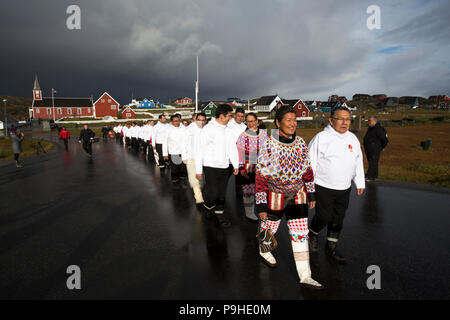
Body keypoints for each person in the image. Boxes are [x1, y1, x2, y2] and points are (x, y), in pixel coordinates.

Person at [255, 106, 323, 289]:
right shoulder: (269, 145)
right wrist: (261, 206)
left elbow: (307, 170)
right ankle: (264, 250)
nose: (293, 124)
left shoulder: (300, 142)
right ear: (278, 123)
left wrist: (311, 192)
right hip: (275, 195)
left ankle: (305, 275)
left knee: (300, 235)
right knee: (271, 228)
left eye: (295, 120)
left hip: (298, 195)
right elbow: (261, 178)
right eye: (288, 120)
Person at [308, 106, 365, 264]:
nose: (345, 122)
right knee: (324, 217)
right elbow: (309, 164)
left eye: (348, 119)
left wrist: (359, 181)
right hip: (323, 186)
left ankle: (331, 247)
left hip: (344, 187)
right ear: (331, 120)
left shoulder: (352, 139)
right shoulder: (322, 138)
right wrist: (309, 188)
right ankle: (312, 233)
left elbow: (358, 161)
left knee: (338, 219)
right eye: (341, 119)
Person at [195, 104, 239, 228]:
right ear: (221, 116)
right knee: (213, 193)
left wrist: (235, 164)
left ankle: (219, 215)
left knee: (221, 194)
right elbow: (199, 150)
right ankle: (208, 208)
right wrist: (198, 170)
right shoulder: (208, 130)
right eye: (229, 116)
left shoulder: (229, 130)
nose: (230, 118)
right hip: (210, 166)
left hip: (224, 166)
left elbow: (232, 148)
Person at [236, 113, 268, 221]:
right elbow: (239, 153)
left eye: (252, 121)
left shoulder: (264, 134)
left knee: (261, 190)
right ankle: (249, 213)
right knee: (249, 191)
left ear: (257, 121)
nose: (250, 123)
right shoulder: (243, 136)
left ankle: (262, 211)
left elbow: (269, 150)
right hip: (248, 166)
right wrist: (241, 168)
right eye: (248, 121)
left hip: (261, 166)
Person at [186, 112, 207, 205]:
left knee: (202, 179)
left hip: (204, 158)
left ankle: (201, 192)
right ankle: (199, 199)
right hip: (191, 157)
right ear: (195, 120)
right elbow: (184, 143)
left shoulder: (207, 129)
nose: (201, 122)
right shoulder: (189, 129)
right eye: (199, 120)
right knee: (194, 178)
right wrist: (185, 156)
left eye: (203, 120)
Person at [163, 115, 188, 184]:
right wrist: (165, 153)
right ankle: (175, 180)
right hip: (174, 151)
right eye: (175, 121)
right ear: (171, 122)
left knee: (183, 167)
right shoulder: (168, 130)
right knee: (175, 168)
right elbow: (164, 142)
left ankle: (182, 179)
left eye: (178, 120)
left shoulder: (183, 129)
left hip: (183, 152)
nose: (177, 122)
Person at [363, 116, 388, 181]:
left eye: (370, 120)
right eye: (368, 120)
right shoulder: (370, 128)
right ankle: (374, 176)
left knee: (373, 162)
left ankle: (369, 176)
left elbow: (384, 139)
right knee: (372, 162)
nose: (369, 122)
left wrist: (382, 147)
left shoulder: (378, 129)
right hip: (369, 149)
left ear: (375, 121)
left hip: (375, 148)